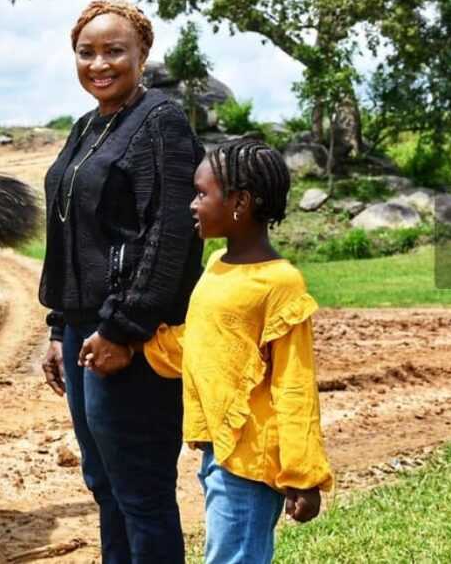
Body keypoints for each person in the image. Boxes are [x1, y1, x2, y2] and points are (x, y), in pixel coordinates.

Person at [39, 0, 204, 563]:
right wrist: (58, 326)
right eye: (87, 52)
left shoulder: (161, 121)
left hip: (131, 333)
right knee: (104, 483)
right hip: (82, 329)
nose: (99, 63)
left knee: (140, 489)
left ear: (142, 54)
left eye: (115, 51)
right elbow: (69, 233)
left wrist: (124, 329)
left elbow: (170, 237)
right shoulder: (87, 127)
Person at [130, 138, 334, 564]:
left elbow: (295, 385)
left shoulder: (280, 283)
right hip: (218, 453)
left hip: (252, 460)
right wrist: (135, 342)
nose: (192, 204)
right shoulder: (218, 264)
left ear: (239, 202)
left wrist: (303, 474)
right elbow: (204, 342)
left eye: (202, 194)